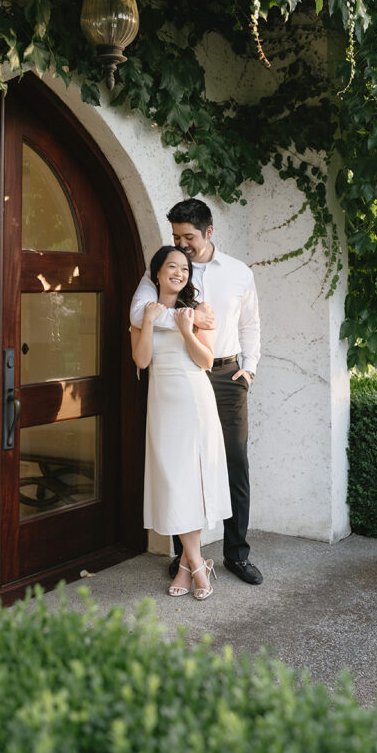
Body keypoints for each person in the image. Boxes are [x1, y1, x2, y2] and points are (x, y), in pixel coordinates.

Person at [130, 198, 263, 585]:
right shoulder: (160, 269)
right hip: (177, 375)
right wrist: (188, 317)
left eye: (188, 237)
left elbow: (250, 324)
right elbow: (138, 313)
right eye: (176, 237)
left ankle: (236, 555)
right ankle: (186, 558)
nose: (181, 244)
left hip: (224, 373)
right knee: (179, 466)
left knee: (234, 464)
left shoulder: (238, 273)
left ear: (208, 232)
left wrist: (249, 368)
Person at [131, 245, 231, 600]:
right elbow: (142, 361)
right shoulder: (143, 313)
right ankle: (195, 562)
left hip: (195, 402)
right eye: (172, 267)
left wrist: (188, 331)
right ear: (157, 273)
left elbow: (206, 361)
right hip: (163, 406)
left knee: (194, 481)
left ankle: (192, 566)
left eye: (185, 269)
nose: (179, 273)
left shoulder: (197, 311)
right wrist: (148, 321)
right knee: (174, 482)